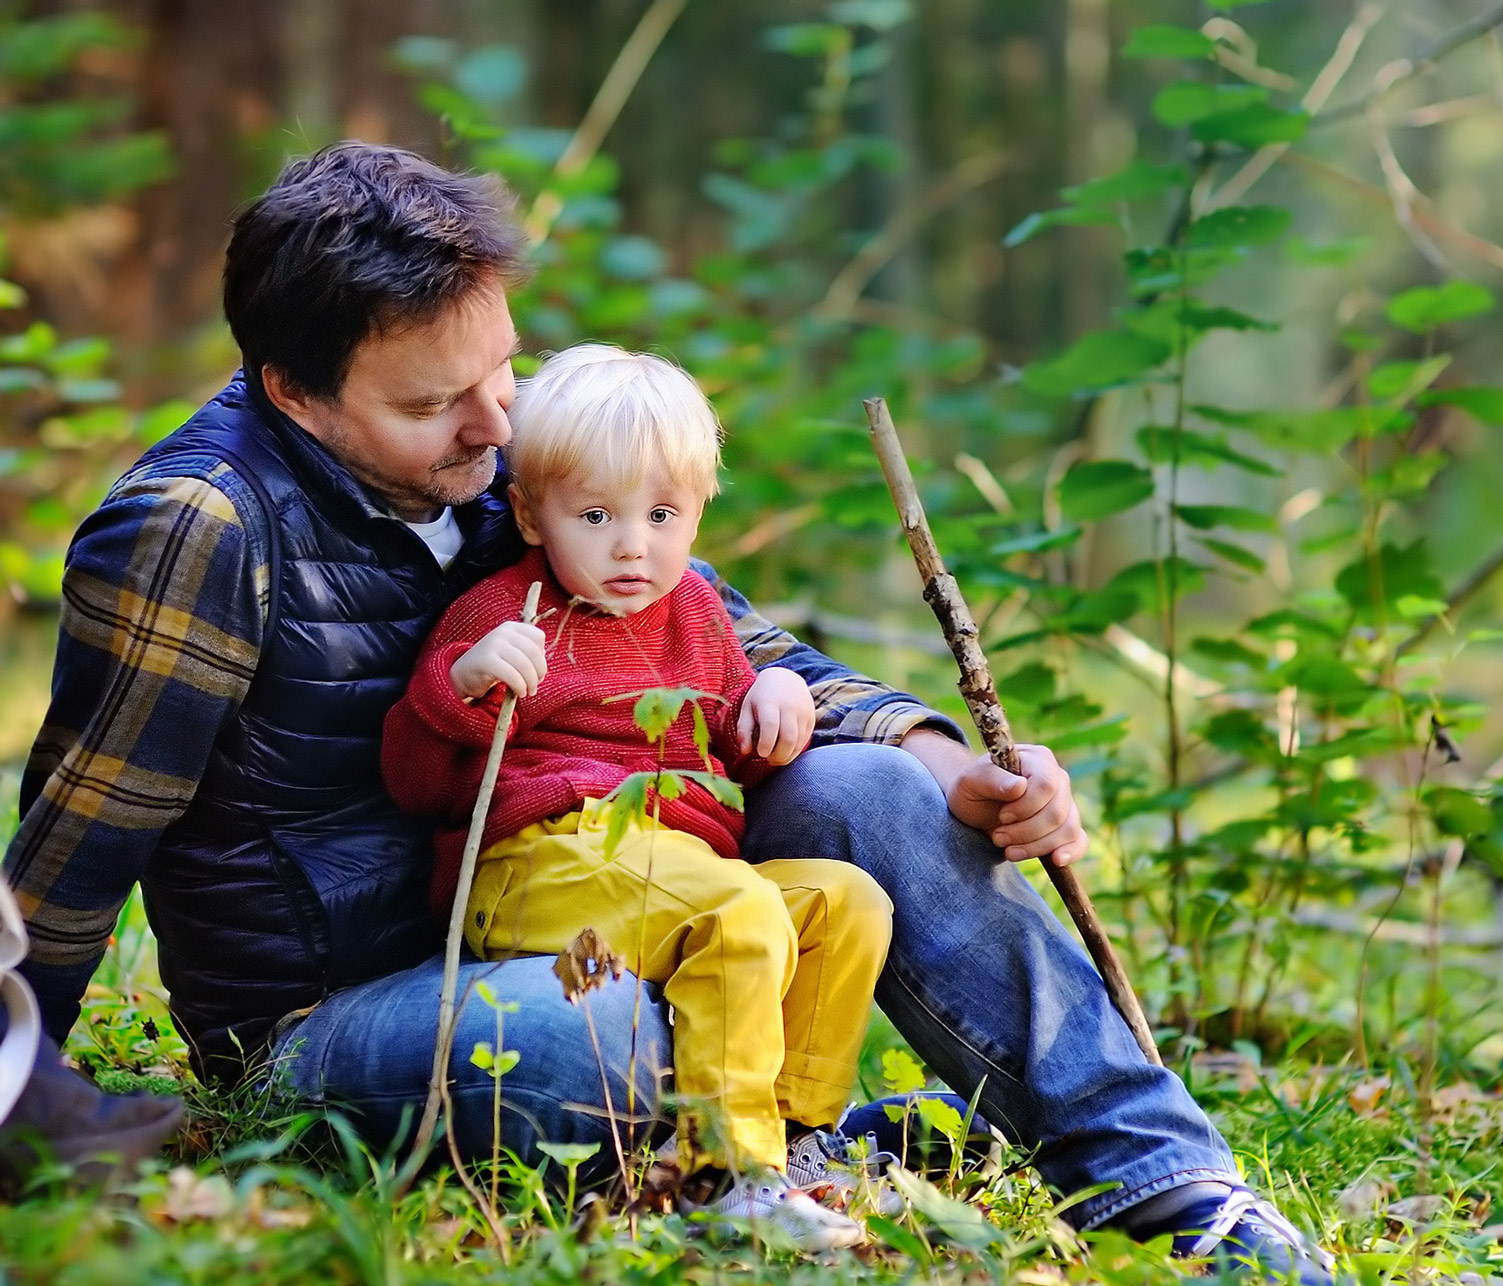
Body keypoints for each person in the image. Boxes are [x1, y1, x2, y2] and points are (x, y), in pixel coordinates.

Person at [0, 140, 1333, 1282]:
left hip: (610, 902)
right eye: (430, 404)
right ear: (295, 392)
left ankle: (1166, 1183)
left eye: (501, 372)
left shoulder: (495, 453)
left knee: (872, 787)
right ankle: (815, 1146)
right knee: (594, 1029)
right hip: (358, 1010)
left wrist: (951, 765)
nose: (493, 427)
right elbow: (82, 833)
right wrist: (23, 1094)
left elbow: (737, 636)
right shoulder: (202, 529)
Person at [381, 343, 885, 1248]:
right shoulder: (504, 613)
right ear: (533, 515)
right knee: (738, 912)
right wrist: (463, 685)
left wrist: (773, 706)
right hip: (539, 860)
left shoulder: (694, 611)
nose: (632, 545)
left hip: (671, 861)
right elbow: (414, 781)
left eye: (661, 513)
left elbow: (729, 752)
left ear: (697, 512)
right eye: (597, 515)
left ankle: (797, 1139)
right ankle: (723, 1173)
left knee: (846, 902)